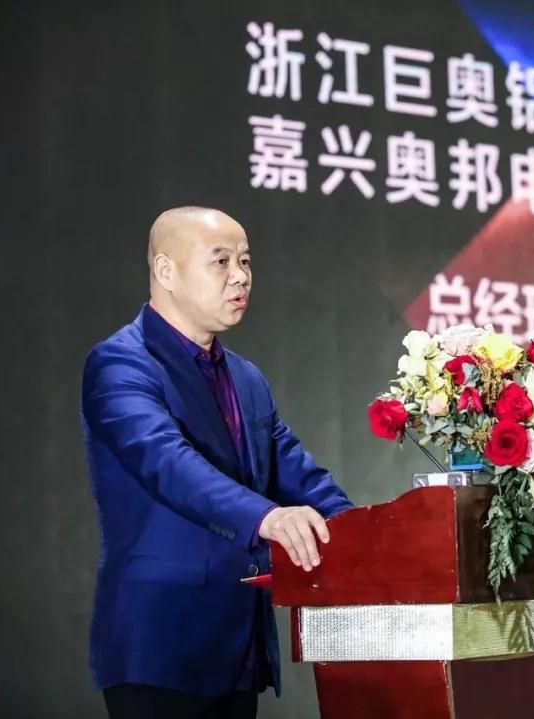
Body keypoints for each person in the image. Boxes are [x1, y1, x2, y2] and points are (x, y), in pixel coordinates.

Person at [80, 206, 353, 718]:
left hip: (239, 648)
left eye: (245, 261)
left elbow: (297, 473)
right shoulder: (120, 363)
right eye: (221, 261)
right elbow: (168, 463)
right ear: (166, 271)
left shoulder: (246, 378)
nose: (241, 276)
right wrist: (268, 518)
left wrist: (370, 536)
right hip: (160, 646)